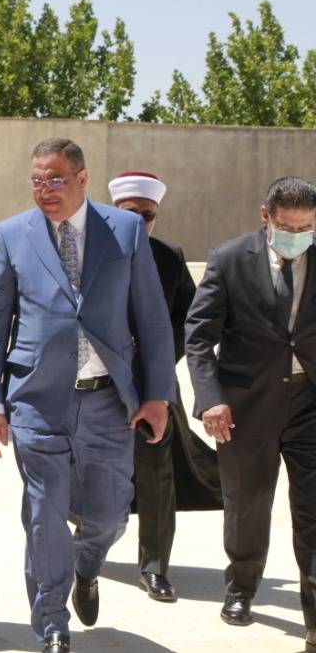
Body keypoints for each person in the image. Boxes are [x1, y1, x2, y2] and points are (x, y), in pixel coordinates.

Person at [0, 138, 176, 653]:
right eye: (37, 180)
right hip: (37, 400)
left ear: (83, 179)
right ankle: (52, 624)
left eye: (56, 179)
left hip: (109, 400)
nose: (45, 190)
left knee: (109, 514)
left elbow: (152, 317)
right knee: (44, 516)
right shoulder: (11, 235)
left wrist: (157, 395)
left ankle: (89, 563)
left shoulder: (125, 230)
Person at [185, 176, 316, 650]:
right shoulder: (228, 259)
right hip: (245, 407)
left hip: (309, 404)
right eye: (288, 227)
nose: (297, 236)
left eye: (306, 228)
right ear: (266, 217)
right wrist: (210, 398)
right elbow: (199, 336)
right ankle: (241, 587)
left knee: (313, 511)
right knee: (247, 504)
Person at [106, 171, 221, 603]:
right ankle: (89, 536)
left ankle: (154, 567)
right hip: (96, 384)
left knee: (158, 473)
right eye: (130, 213)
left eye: (147, 215)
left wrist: (155, 360)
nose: (139, 222)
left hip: (153, 387)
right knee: (87, 471)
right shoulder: (88, 251)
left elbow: (188, 320)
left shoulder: (169, 257)